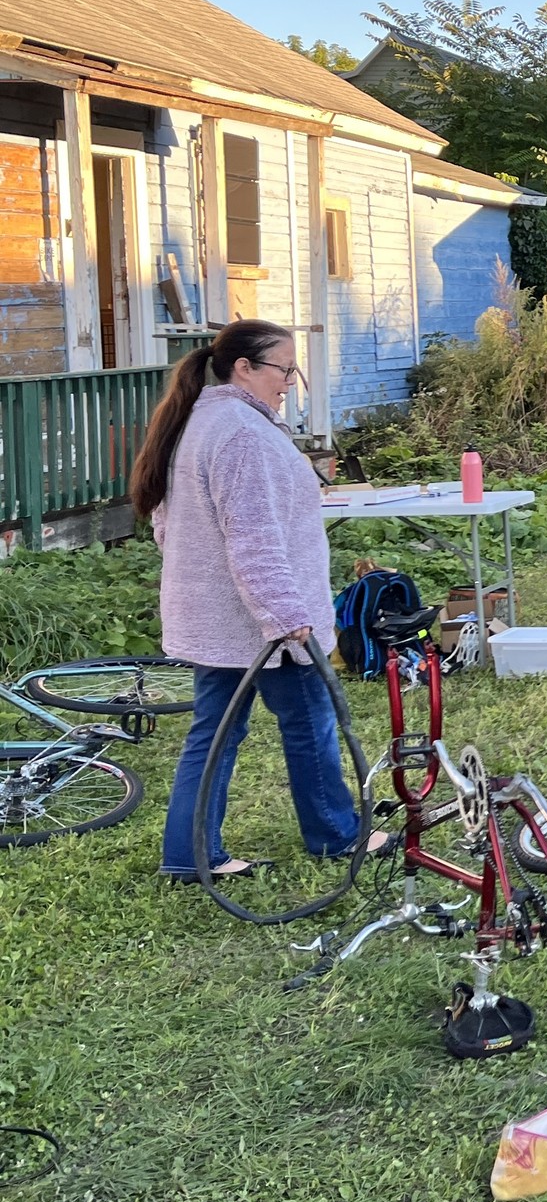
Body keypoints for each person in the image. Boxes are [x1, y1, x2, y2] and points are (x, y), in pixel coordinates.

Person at [133, 319, 388, 883]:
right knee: (311, 722)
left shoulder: (203, 421)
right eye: (283, 369)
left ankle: (188, 855)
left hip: (223, 621)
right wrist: (286, 616)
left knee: (214, 733)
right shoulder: (242, 433)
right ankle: (336, 834)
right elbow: (253, 538)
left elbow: (167, 524)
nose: (289, 382)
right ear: (244, 368)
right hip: (266, 629)